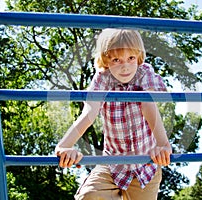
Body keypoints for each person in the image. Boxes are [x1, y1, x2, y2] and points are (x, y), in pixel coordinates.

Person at [55, 29, 172, 200]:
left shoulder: (143, 72)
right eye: (116, 60)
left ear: (138, 57)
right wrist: (65, 145)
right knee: (88, 195)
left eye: (131, 58)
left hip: (146, 165)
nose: (125, 66)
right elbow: (89, 112)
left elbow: (148, 104)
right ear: (106, 60)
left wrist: (163, 145)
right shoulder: (102, 78)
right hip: (112, 163)